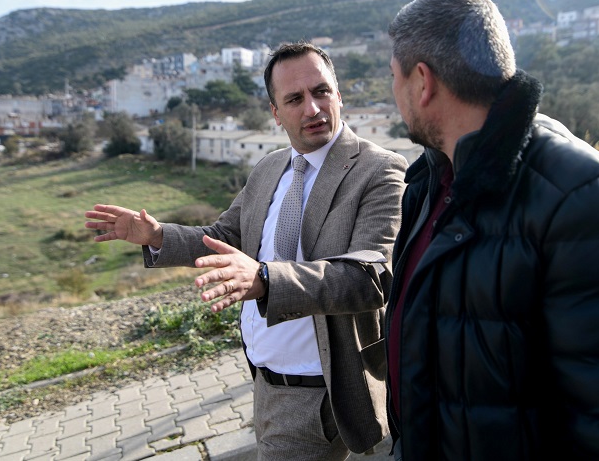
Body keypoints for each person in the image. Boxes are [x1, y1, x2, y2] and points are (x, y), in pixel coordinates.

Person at [384, 0, 599, 459]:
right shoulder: (428, 182)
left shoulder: (589, 203)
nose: (394, 93)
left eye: (393, 77)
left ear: (423, 81)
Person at [85, 41, 408, 460]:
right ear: (275, 113)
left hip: (318, 394)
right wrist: (158, 235)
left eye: (321, 92)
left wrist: (265, 280)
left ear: (339, 95)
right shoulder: (270, 167)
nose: (312, 108)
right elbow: (226, 235)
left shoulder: (379, 170)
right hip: (265, 379)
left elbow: (370, 277)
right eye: (294, 99)